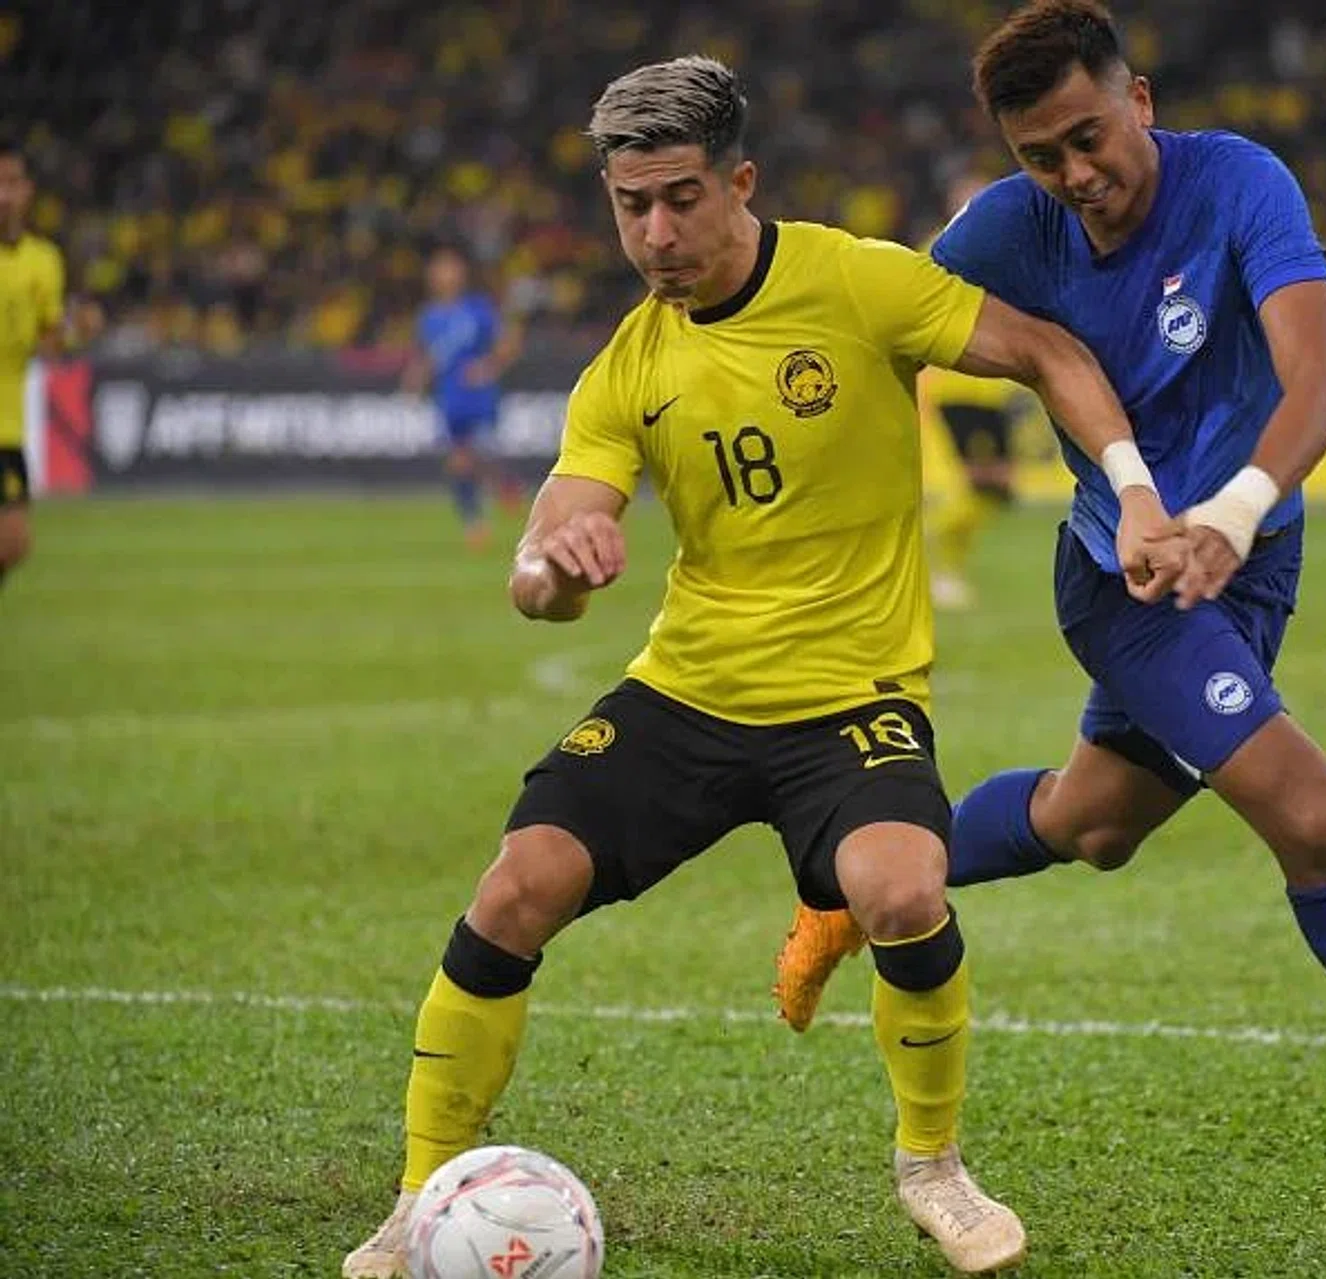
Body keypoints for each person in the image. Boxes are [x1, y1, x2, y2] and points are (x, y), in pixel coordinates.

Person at [344, 54, 1182, 1279]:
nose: (657, 232)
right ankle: (422, 1199)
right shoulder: (628, 366)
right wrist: (561, 567)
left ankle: (935, 1171)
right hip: (688, 691)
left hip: (853, 698)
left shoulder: (858, 282)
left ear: (741, 182)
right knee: (516, 885)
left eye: (682, 197)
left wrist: (1137, 492)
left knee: (901, 888)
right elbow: (543, 566)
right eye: (632, 205)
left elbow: (1050, 353)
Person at [772, 0, 1326, 1209]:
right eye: (1039, 156)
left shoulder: (1240, 186)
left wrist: (1239, 507)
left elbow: (1322, 379)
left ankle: (849, 886)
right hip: (1127, 587)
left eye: (1089, 137)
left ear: (1140, 100)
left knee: (1087, 823)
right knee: (1313, 821)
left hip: (1248, 560)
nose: (1075, 174)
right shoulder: (1005, 232)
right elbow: (877, 331)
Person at [917, 172, 1048, 611]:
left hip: (993, 389)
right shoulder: (937, 248)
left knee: (999, 488)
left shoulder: (1006, 251)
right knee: (972, 483)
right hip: (954, 384)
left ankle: (942, 552)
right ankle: (942, 570)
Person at [404, 245, 524, 548]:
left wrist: (488, 366)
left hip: (479, 395)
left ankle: (505, 487)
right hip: (449, 398)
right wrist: (417, 378)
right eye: (438, 269)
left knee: (481, 454)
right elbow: (428, 356)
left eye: (449, 268)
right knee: (458, 461)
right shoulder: (429, 317)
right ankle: (475, 522)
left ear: (460, 274)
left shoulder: (478, 308)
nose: (444, 275)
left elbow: (508, 342)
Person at [0, 136, 68, 590]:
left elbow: (50, 344)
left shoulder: (43, 261)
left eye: (11, 182)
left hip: (8, 424)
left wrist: (74, 328)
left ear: (27, 191)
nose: (3, 194)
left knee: (14, 543)